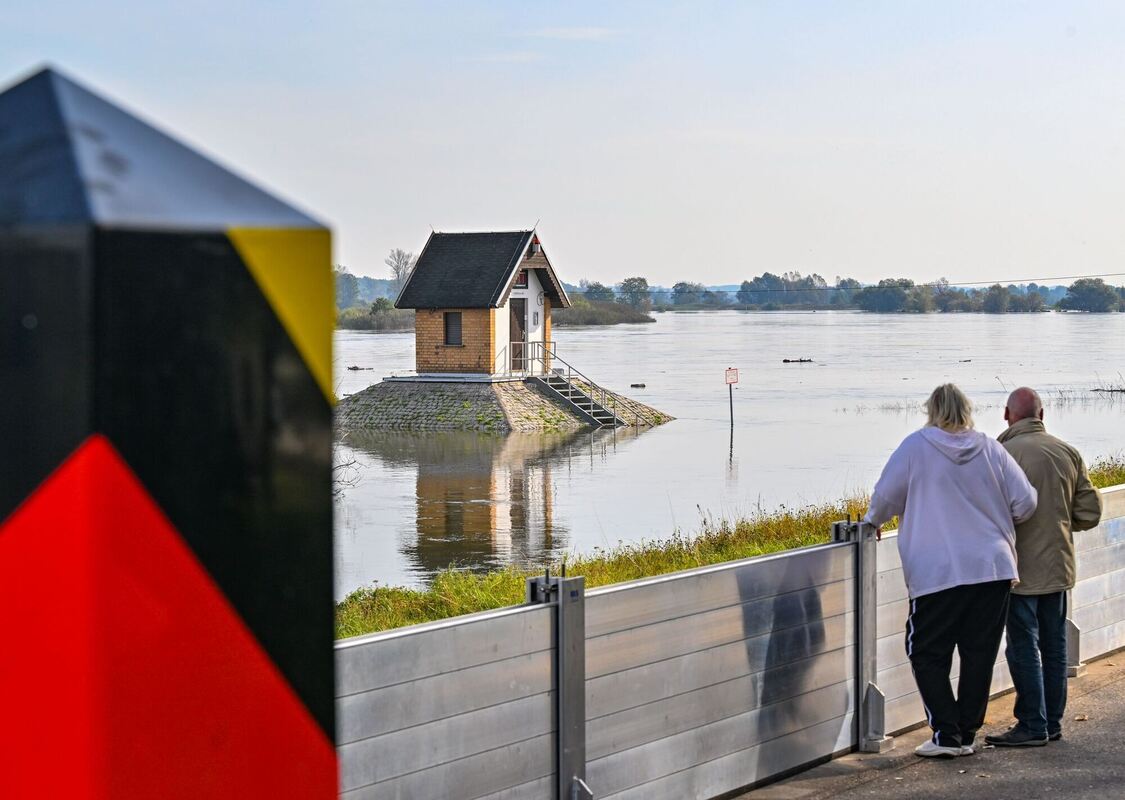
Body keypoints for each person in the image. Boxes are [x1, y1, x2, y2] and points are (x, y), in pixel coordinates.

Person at [864, 383, 1037, 758]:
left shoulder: (916, 447)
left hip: (938, 570)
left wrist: (872, 521)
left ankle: (946, 734)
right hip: (992, 568)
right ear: (967, 410)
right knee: (979, 654)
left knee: (926, 651)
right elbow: (1026, 502)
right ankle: (966, 733)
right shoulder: (991, 448)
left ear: (932, 409)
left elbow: (885, 497)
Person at [984, 387, 1103, 747]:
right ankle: (1052, 723)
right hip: (1059, 568)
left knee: (1022, 647)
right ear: (1043, 413)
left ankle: (1031, 725)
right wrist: (1060, 525)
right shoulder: (1067, 452)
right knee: (1054, 647)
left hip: (1017, 571)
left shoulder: (999, 454)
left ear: (1007, 414)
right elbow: (1090, 512)